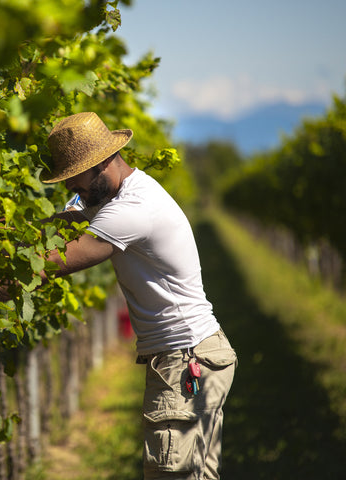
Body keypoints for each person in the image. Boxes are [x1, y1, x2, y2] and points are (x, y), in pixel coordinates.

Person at [38, 111, 237, 480]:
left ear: (100, 165)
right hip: (196, 354)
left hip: (184, 361)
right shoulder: (131, 191)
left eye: (75, 180)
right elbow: (76, 217)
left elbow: (57, 262)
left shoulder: (129, 210)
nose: (71, 190)